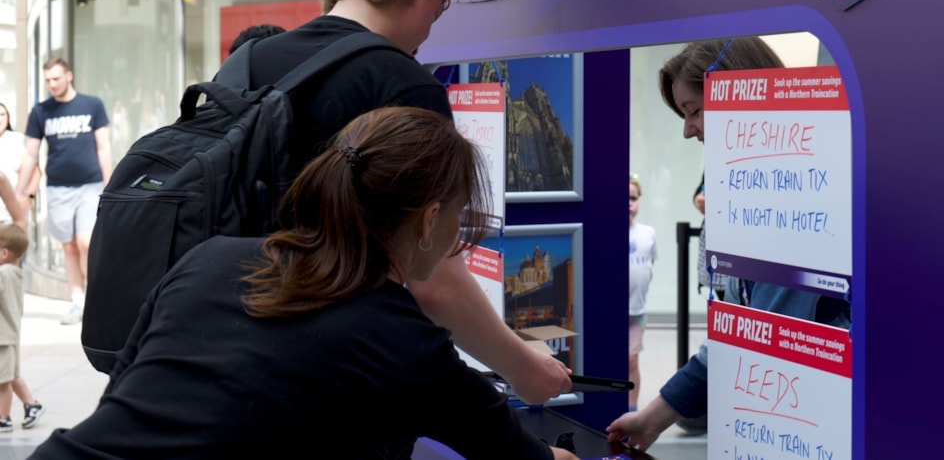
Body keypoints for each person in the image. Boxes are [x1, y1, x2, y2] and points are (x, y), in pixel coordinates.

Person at [28, 107, 577, 459]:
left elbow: (123, 401)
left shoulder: (210, 258)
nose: (461, 232)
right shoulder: (404, 338)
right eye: (460, 214)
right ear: (429, 220)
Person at [238, 0, 570, 405]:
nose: (430, 32)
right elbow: (431, 274)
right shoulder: (403, 86)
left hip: (235, 351)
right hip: (334, 374)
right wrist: (523, 367)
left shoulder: (246, 62)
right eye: (440, 9)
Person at [607, 37, 851, 451]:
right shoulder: (752, 195)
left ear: (739, 93)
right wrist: (653, 419)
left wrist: (656, 416)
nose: (687, 130)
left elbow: (754, 338)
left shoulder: (794, 198)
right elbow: (740, 332)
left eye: (694, 111)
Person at [16, 59, 112, 325]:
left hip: (90, 185)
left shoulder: (92, 105)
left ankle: (96, 299)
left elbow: (103, 148)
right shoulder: (41, 111)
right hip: (57, 188)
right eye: (48, 80)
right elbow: (30, 154)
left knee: (86, 242)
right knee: (68, 247)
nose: (52, 84)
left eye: (56, 78)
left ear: (69, 76)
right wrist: (19, 193)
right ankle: (78, 302)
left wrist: (110, 185)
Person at [0, 225, 44, 432]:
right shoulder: (15, 272)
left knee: (2, 381)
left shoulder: (4, 273)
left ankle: (3, 417)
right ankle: (32, 404)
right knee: (11, 374)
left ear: (4, 253)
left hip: (3, 337)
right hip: (9, 335)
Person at [627, 173, 657, 411]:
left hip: (636, 311)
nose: (629, 203)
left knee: (631, 360)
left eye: (633, 198)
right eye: (624, 197)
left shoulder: (648, 233)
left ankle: (631, 408)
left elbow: (650, 264)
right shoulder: (610, 233)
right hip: (615, 312)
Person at [0, 103, 38, 227]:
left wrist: (28, 197)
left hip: (11, 215)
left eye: (2, 114)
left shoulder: (18, 140)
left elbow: (36, 172)